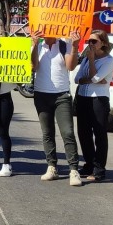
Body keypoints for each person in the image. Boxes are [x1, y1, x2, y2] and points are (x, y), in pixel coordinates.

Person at [31, 29, 83, 186]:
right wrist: (34, 45)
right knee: (47, 133)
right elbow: (34, 66)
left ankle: (74, 170)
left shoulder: (64, 44)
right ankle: (52, 167)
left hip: (62, 95)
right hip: (41, 94)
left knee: (67, 132)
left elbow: (71, 66)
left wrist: (74, 47)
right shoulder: (37, 45)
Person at [74, 29, 113, 182]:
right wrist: (91, 78)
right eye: (89, 41)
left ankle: (99, 169)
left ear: (103, 43)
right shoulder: (85, 58)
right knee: (83, 133)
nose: (90, 44)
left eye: (94, 41)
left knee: (99, 134)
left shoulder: (108, 60)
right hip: (83, 98)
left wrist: (92, 62)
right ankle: (89, 164)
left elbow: (95, 78)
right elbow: (77, 79)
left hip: (98, 99)